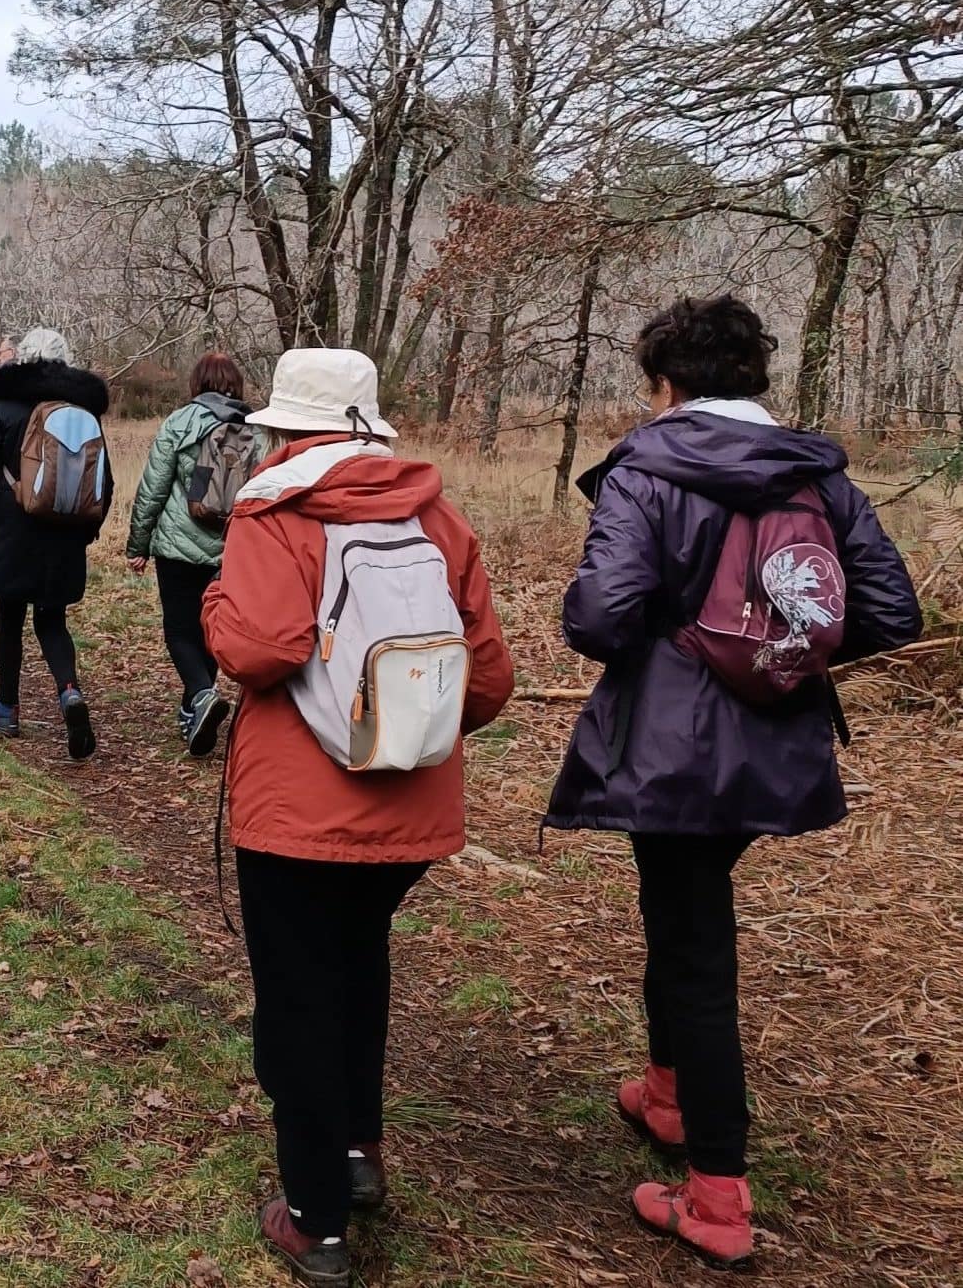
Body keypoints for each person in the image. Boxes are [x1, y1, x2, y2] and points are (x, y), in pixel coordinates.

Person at [544, 295, 921, 1269]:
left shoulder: (645, 468)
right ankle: (666, 1097)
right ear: (755, 378)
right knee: (683, 916)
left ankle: (715, 1194)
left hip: (671, 747)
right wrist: (779, 654)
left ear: (666, 382)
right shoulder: (816, 476)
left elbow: (600, 616)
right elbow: (890, 611)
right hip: (776, 744)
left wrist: (679, 642)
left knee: (695, 948)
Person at [202, 348, 514, 1287]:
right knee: (357, 962)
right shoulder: (437, 514)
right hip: (409, 807)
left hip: (299, 810)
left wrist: (215, 602)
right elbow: (488, 681)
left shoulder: (273, 511)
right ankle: (357, 1152)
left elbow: (259, 649)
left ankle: (315, 1221)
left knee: (299, 992)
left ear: (286, 430)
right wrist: (409, 735)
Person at [0, 327, 111, 761]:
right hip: (65, 533)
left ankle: (6, 708)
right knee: (53, 620)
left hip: (12, 530)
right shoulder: (82, 409)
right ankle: (70, 691)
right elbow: (104, 482)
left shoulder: (3, 406)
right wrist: (85, 533)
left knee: (10, 618)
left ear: (22, 356)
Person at [125, 351, 254, 756]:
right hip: (230, 548)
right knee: (210, 628)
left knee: (180, 630)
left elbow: (153, 489)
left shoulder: (180, 422)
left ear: (197, 383)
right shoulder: (256, 427)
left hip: (178, 546)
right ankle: (192, 711)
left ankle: (200, 694)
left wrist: (138, 544)